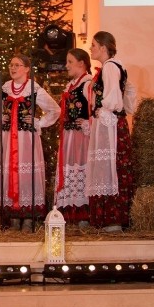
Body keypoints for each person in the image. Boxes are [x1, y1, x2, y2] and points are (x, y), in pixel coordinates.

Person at [0, 54, 60, 231]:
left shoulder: (34, 89)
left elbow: (55, 110)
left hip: (26, 139)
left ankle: (28, 215)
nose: (12, 68)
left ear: (27, 69)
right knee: (10, 171)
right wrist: (2, 117)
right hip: (8, 138)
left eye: (17, 65)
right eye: (11, 65)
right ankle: (12, 215)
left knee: (26, 173)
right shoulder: (4, 89)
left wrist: (38, 122)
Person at [86, 31, 135, 233]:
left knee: (110, 168)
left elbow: (115, 98)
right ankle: (108, 218)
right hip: (111, 121)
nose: (91, 49)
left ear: (104, 48)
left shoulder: (109, 67)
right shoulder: (116, 66)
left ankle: (112, 218)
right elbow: (130, 92)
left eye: (94, 46)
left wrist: (102, 107)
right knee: (110, 168)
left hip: (109, 122)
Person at [55, 48, 93, 227]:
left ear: (81, 63)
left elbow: (96, 109)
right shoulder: (71, 85)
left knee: (80, 168)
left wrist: (87, 123)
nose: (66, 65)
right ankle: (69, 213)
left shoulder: (87, 84)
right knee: (69, 169)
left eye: (70, 62)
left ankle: (82, 214)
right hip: (69, 136)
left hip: (81, 137)